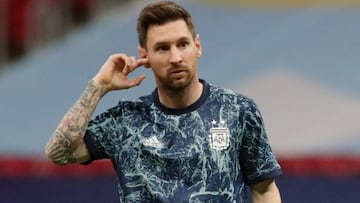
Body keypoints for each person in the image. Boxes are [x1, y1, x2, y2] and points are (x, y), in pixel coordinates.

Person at [45, 1, 282, 202]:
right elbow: (58, 152)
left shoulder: (237, 110)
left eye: (182, 44)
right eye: (162, 48)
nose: (175, 58)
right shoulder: (126, 121)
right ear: (145, 56)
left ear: (197, 46)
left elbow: (264, 188)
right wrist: (98, 86)